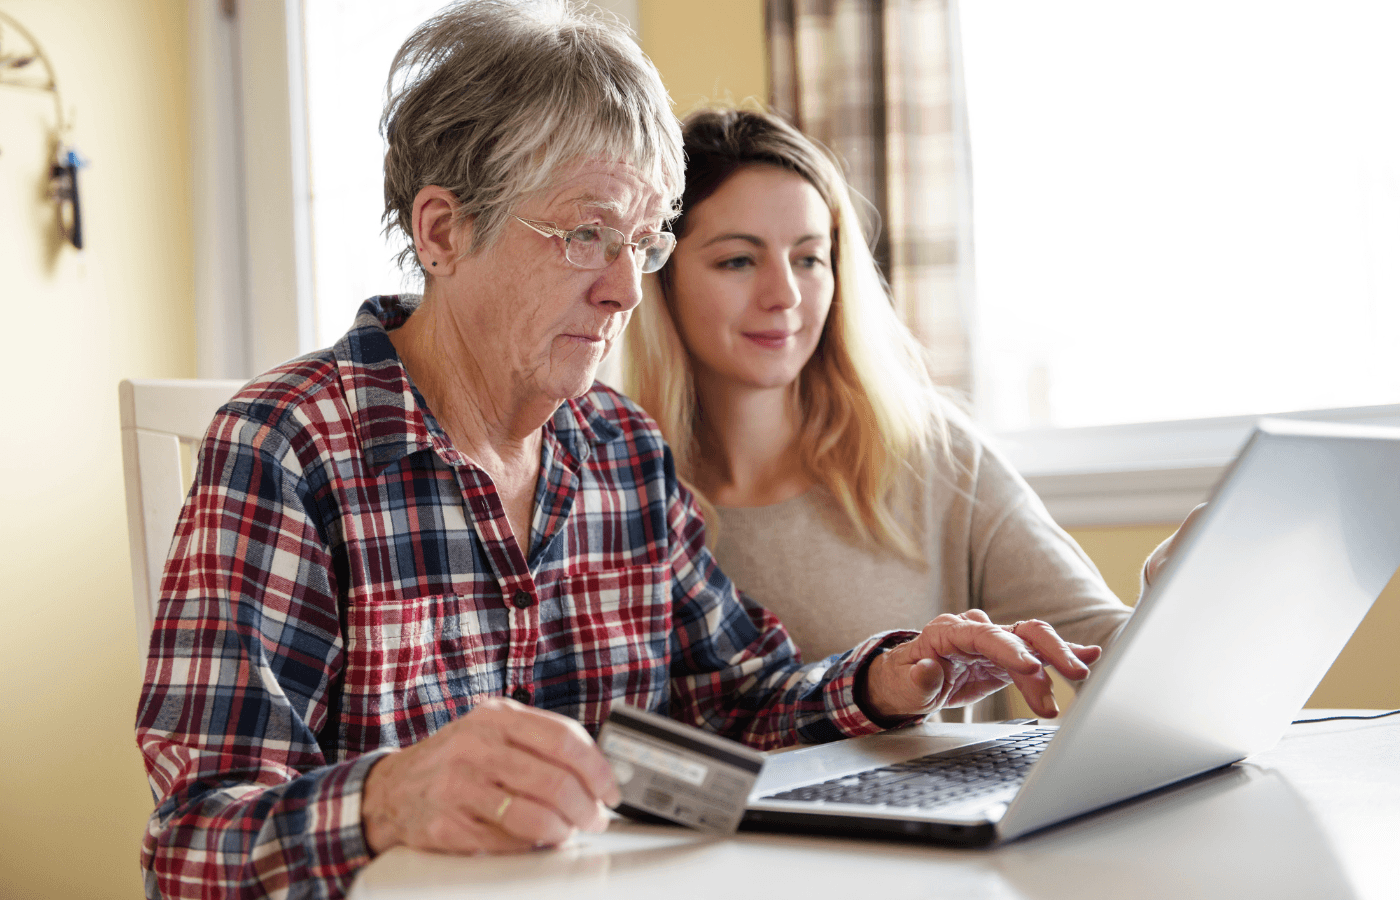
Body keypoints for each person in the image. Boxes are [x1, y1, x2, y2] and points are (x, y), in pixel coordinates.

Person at [135, 5, 1101, 898]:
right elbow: (192, 849)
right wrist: (385, 800)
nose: (626, 292)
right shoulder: (290, 446)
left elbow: (739, 704)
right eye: (585, 234)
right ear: (442, 231)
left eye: (640, 245)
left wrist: (891, 678)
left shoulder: (620, 450)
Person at [623, 107, 1149, 720]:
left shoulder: (932, 453)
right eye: (738, 260)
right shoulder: (615, 488)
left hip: (924, 816)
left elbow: (1100, 648)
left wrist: (1188, 600)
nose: (785, 295)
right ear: (659, 275)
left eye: (809, 258)